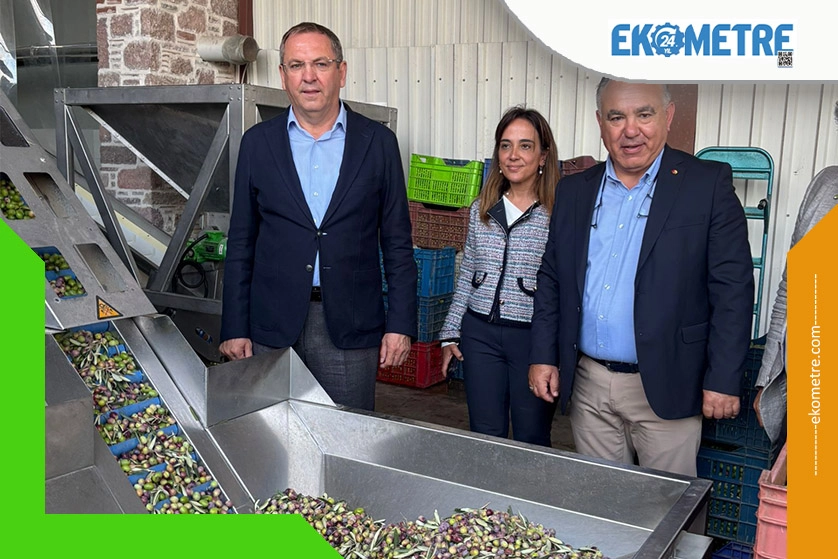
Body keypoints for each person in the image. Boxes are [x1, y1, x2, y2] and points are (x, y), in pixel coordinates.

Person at [528, 78, 755, 476]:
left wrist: (723, 378)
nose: (630, 130)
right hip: (589, 382)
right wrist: (544, 355)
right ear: (601, 122)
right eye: (617, 117)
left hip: (669, 382)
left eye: (644, 115)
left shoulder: (706, 185)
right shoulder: (574, 191)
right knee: (601, 500)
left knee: (667, 505)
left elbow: (732, 290)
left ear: (668, 116)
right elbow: (552, 279)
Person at [219, 22, 417, 411]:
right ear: (283, 76)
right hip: (271, 326)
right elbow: (241, 241)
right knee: (270, 432)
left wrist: (400, 325)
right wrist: (234, 325)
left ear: (341, 72)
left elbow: (397, 242)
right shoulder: (258, 144)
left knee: (347, 433)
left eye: (320, 64)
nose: (308, 76)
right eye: (296, 65)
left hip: (350, 326)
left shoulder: (378, 144)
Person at [439, 106, 561, 447]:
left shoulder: (557, 213)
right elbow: (468, 272)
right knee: (485, 434)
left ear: (543, 156)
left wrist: (554, 351)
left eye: (525, 146)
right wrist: (450, 332)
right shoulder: (482, 208)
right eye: (505, 145)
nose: (513, 155)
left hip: (532, 339)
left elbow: (564, 286)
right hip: (481, 335)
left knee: (531, 436)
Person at [754, 101, 838, 464]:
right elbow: (791, 289)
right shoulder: (826, 184)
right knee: (796, 497)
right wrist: (768, 377)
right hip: (806, 393)